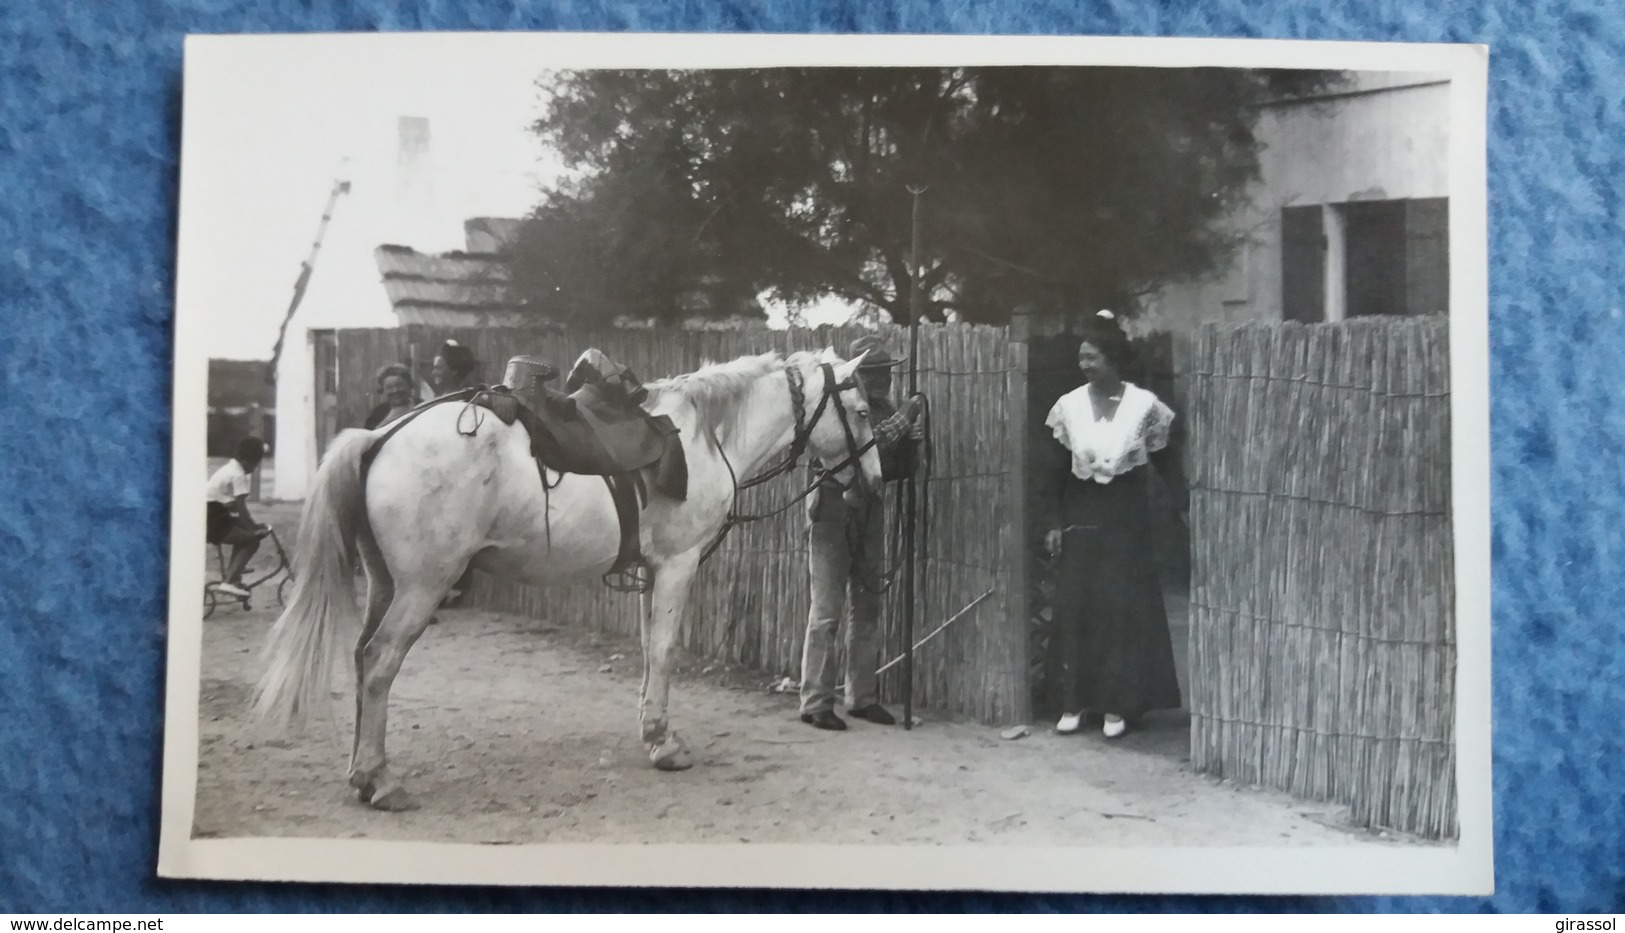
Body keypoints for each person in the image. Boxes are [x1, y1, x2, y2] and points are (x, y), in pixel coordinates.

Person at [1042, 310, 1186, 738]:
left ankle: (1117, 706)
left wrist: (1184, 505)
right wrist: (1053, 520)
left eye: (1093, 357)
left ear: (1113, 359)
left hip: (1126, 518)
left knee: (1120, 611)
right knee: (1078, 606)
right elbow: (1053, 472)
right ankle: (1074, 703)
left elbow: (1166, 462)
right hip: (1082, 515)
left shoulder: (1144, 406)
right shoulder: (1068, 407)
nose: (1085, 365)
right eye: (1082, 358)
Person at [799, 334, 925, 731]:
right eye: (873, 371)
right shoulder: (839, 407)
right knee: (827, 609)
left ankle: (862, 696)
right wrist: (906, 419)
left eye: (885, 371)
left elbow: (895, 465)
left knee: (867, 605)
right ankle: (816, 701)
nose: (882, 379)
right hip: (833, 507)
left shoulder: (884, 406)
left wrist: (913, 446)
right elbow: (874, 440)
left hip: (870, 507)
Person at [206, 436, 271, 599]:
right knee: (252, 540)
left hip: (213, 516)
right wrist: (254, 529)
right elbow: (240, 508)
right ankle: (230, 581)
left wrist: (253, 526)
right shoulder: (238, 475)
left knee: (245, 536)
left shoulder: (229, 469)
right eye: (255, 464)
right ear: (246, 460)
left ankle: (232, 577)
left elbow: (235, 510)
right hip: (214, 520)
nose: (255, 468)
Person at [363, 363, 417, 430]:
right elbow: (370, 435)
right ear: (383, 390)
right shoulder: (378, 414)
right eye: (389, 387)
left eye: (399, 385)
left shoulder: (421, 405)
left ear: (409, 386)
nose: (395, 390)